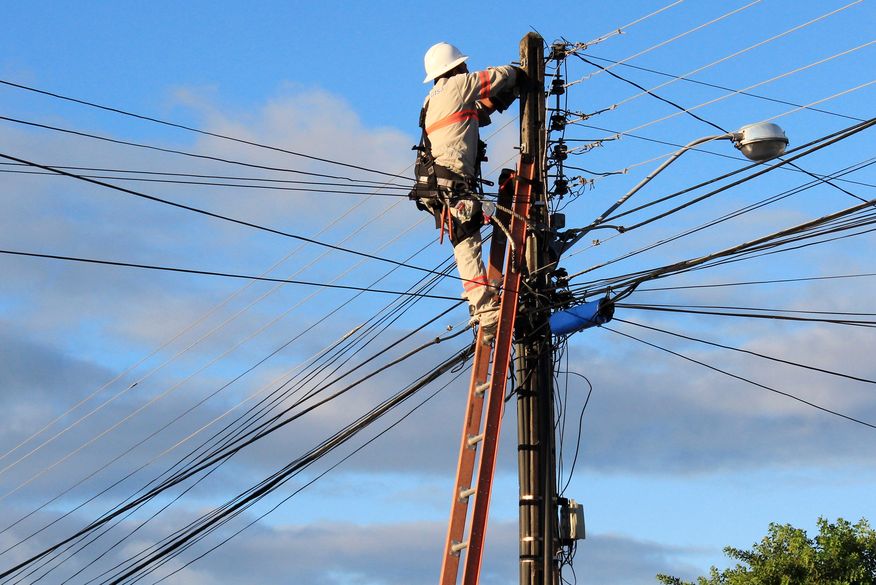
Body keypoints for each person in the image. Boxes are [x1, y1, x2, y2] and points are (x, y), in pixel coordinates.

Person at [410, 42, 521, 343]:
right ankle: (486, 310)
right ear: (455, 67)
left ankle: (481, 306)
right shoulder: (458, 85)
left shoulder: (432, 99)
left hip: (438, 186)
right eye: (463, 65)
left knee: (464, 244)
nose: (467, 68)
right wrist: (520, 73)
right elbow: (495, 77)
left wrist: (504, 96)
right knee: (468, 243)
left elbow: (477, 114)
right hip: (453, 184)